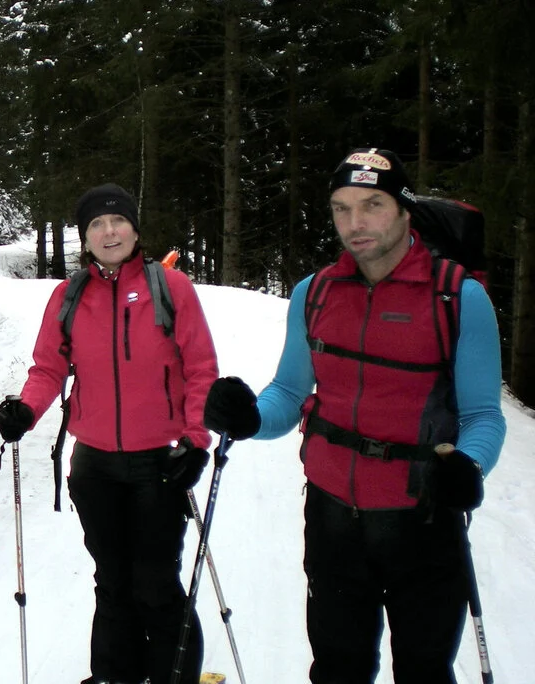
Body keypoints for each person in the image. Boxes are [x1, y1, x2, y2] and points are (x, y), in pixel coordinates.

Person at [203, 147, 506, 684]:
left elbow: (485, 415)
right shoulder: (314, 292)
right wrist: (250, 417)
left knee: (424, 669)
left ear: (404, 211)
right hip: (332, 519)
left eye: (371, 205)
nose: (355, 223)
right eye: (341, 208)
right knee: (338, 668)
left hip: (423, 517)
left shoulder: (458, 296)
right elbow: (288, 392)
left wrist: (470, 464)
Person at [0, 183, 219, 684]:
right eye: (96, 223)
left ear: (135, 229)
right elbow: (48, 369)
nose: (108, 230)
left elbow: (201, 367)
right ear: (85, 237)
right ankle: (116, 675)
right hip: (94, 465)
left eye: (117, 220)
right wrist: (24, 412)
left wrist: (196, 438)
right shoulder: (70, 294)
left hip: (157, 464)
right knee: (112, 582)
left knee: (155, 584)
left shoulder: (170, 287)